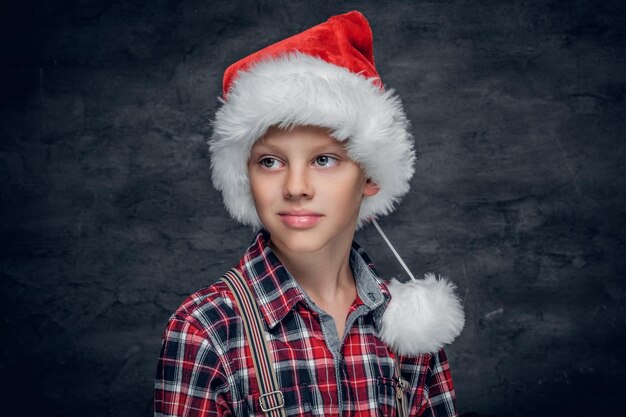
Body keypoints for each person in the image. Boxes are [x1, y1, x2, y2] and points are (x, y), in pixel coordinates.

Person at [155, 10, 464, 417]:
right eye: (269, 162)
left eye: (324, 160)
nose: (296, 187)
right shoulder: (207, 329)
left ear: (370, 174)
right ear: (244, 177)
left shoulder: (408, 328)